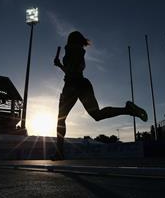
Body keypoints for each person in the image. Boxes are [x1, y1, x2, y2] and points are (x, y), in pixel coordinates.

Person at [52, 31, 148, 160]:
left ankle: (59, 152)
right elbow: (74, 70)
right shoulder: (80, 51)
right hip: (83, 84)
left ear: (70, 40)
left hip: (71, 86)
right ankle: (128, 109)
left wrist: (60, 64)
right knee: (97, 115)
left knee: (61, 120)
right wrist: (60, 66)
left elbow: (71, 72)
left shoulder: (70, 50)